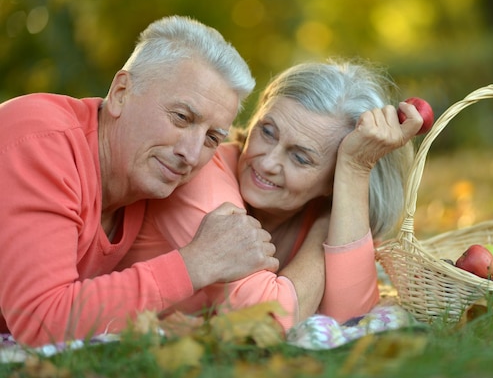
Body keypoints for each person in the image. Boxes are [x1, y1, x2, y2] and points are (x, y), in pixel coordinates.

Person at [0, 15, 279, 347]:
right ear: (120, 93)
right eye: (181, 118)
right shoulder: (40, 140)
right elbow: (42, 321)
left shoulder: (142, 179)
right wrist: (196, 263)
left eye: (211, 138)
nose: (191, 154)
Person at [116, 59, 422, 330]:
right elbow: (265, 319)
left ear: (334, 180)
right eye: (267, 132)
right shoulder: (201, 173)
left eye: (300, 158)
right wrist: (325, 231)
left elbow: (353, 320)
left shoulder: (334, 203)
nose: (266, 162)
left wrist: (355, 172)